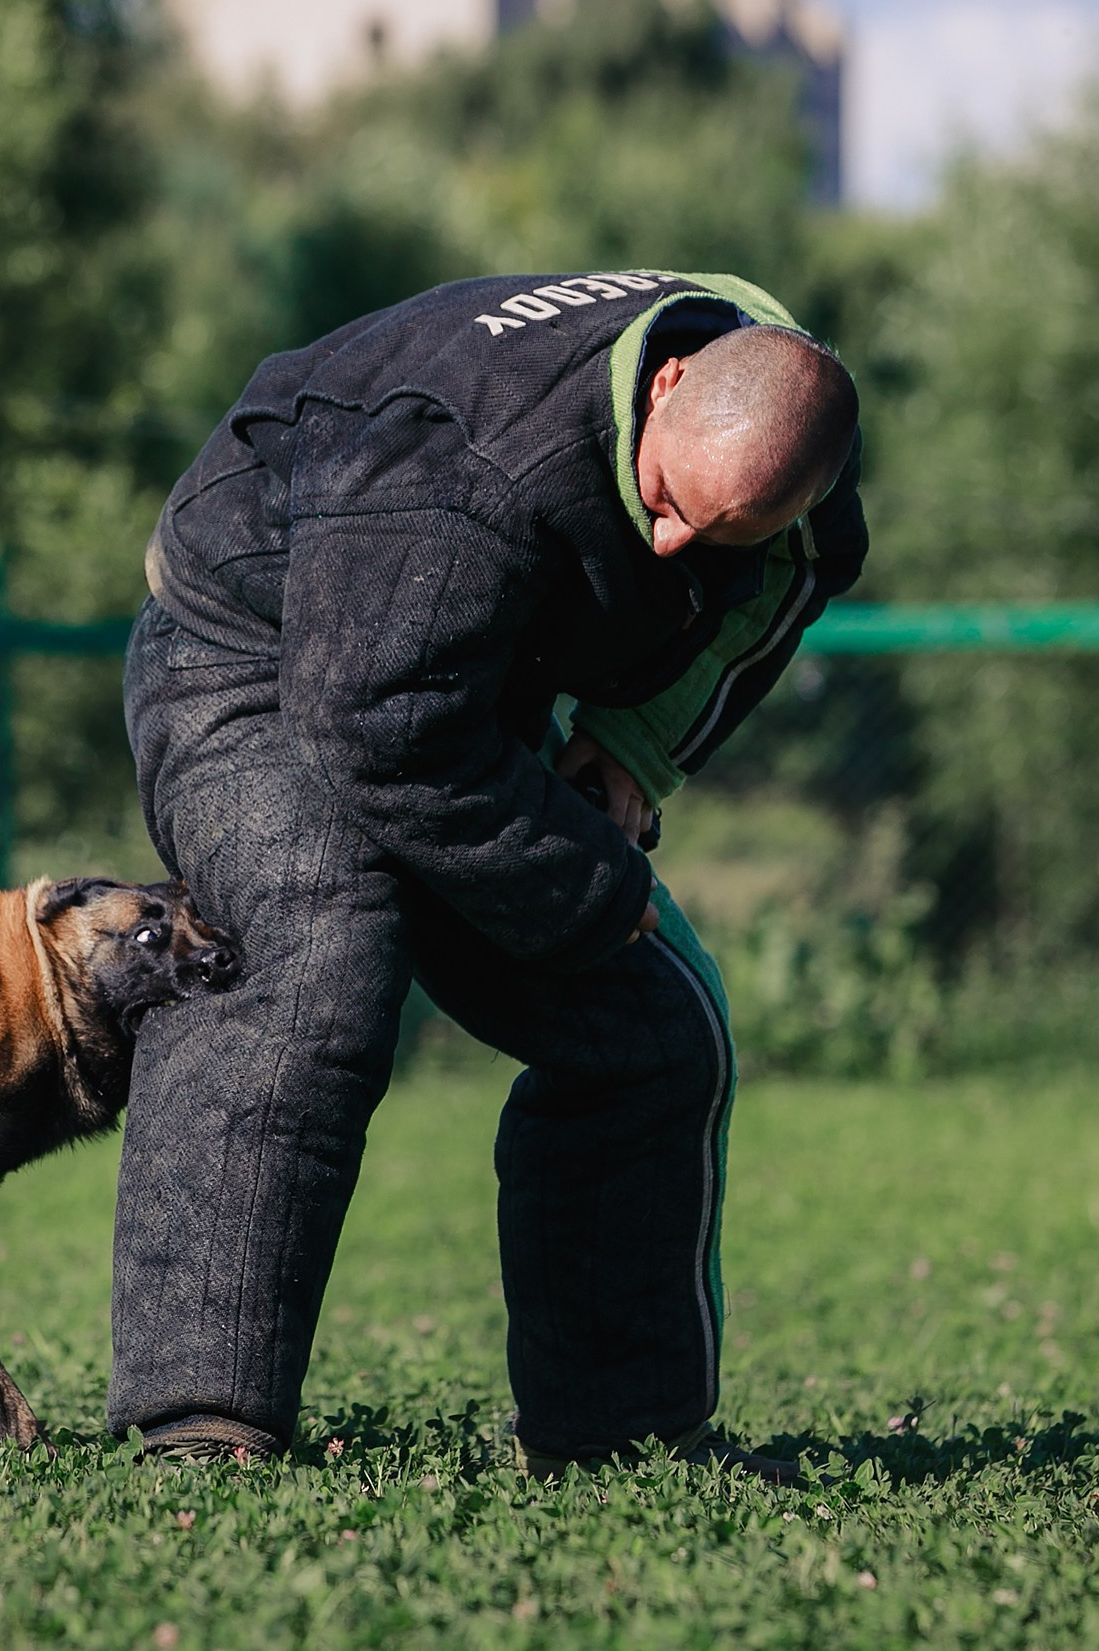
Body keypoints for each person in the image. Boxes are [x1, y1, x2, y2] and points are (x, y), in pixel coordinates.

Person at [111, 270, 865, 1479]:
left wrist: (632, 741)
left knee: (656, 1028)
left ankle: (617, 1438)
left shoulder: (771, 451)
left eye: (720, 529)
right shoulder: (469, 466)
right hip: (248, 657)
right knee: (315, 961)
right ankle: (201, 1424)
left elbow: (775, 587)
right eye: (669, 502)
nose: (675, 542)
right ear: (663, 386)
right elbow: (377, 729)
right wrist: (590, 890)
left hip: (450, 681)